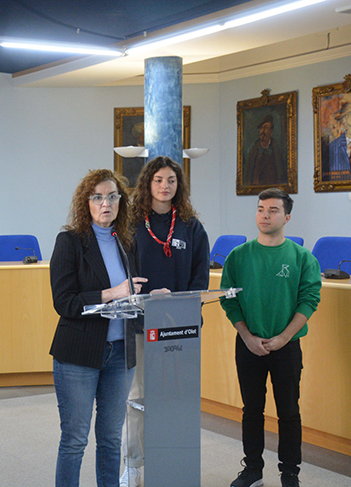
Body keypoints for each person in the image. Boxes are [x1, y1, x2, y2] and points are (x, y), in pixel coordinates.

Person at [49, 168, 146, 487]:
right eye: (98, 197)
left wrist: (148, 297)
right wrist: (113, 293)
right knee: (75, 440)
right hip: (79, 354)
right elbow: (64, 302)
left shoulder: (126, 243)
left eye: (113, 197)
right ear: (86, 203)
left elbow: (129, 292)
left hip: (120, 354)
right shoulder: (70, 242)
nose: (106, 203)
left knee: (110, 439)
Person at [220, 188, 321, 487]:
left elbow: (309, 299)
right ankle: (252, 470)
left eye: (273, 210)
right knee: (252, 410)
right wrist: (247, 335)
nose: (265, 215)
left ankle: (290, 473)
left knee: (289, 411)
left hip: (286, 347)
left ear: (287, 216)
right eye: (261, 209)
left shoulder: (302, 257)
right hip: (248, 345)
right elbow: (229, 299)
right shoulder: (239, 256)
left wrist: (284, 337)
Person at [119, 156, 210, 487]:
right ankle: (134, 464)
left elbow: (200, 276)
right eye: (158, 179)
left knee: (175, 398)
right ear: (147, 183)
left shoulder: (191, 226)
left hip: (179, 328)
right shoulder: (130, 224)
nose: (164, 186)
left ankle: (171, 462)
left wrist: (176, 302)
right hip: (141, 326)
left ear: (179, 185)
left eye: (171, 180)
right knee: (137, 397)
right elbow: (124, 272)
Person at [243, 114, 286, 186]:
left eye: (266, 128)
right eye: (261, 128)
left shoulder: (276, 150)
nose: (263, 131)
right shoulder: (253, 151)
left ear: (271, 131)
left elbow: (280, 173)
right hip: (255, 188)